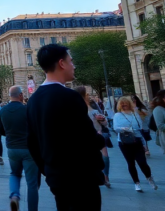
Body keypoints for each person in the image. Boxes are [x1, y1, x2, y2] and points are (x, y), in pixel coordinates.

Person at [27, 44, 104, 211]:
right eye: (71, 61)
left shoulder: (33, 100)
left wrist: (48, 169)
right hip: (81, 177)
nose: (73, 66)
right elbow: (87, 138)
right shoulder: (70, 96)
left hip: (56, 177)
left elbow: (32, 142)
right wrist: (100, 138)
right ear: (62, 63)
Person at [0, 86, 39, 211]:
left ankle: (14, 195)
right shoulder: (27, 109)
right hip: (28, 149)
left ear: (10, 95)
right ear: (20, 95)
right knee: (32, 183)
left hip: (12, 148)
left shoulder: (3, 111)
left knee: (14, 174)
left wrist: (9, 134)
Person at [114, 96, 157, 192]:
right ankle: (136, 183)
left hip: (136, 140)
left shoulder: (135, 114)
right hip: (124, 142)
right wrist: (125, 129)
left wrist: (144, 143)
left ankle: (149, 177)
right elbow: (116, 128)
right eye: (122, 103)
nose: (124, 105)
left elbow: (139, 129)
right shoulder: (117, 115)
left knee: (142, 162)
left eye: (126, 103)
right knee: (131, 163)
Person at [74, 87, 111, 188]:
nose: (89, 96)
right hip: (86, 138)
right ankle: (96, 175)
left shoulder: (93, 106)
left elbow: (105, 123)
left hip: (99, 134)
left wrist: (102, 120)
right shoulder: (77, 108)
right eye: (87, 94)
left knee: (105, 156)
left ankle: (106, 176)